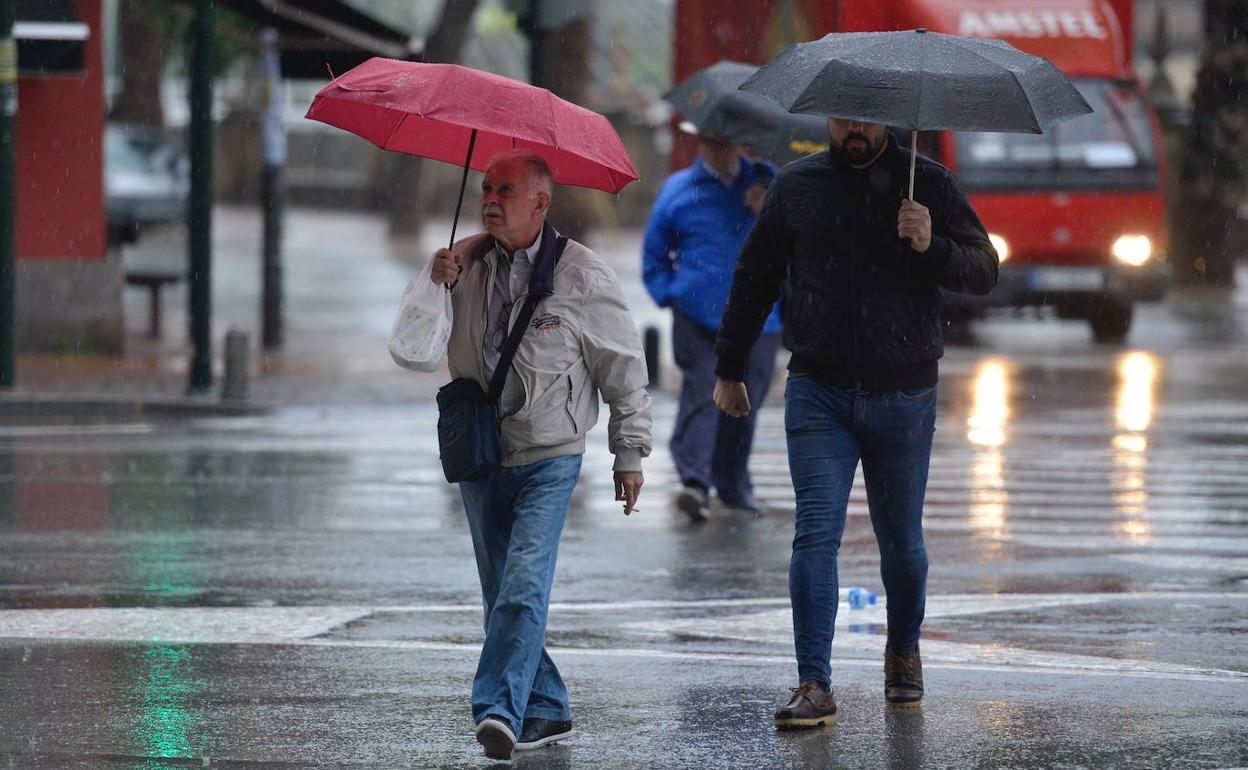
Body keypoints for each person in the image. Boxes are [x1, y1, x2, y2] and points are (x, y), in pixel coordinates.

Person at [713, 120, 998, 725]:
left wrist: (933, 244)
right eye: (843, 120)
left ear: (886, 119)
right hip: (819, 387)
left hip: (904, 391)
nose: (854, 132)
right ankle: (813, 680)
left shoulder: (932, 185)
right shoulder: (799, 185)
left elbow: (983, 269)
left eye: (865, 120)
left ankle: (903, 650)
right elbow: (756, 273)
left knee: (902, 542)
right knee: (815, 532)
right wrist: (730, 367)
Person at [423, 150, 653, 759]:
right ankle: (547, 708)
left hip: (551, 456)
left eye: (505, 190)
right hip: (479, 453)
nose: (491, 199)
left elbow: (623, 368)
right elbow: (414, 345)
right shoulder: (463, 262)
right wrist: (433, 282)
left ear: (541, 204)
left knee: (523, 584)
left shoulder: (583, 274)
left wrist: (627, 453)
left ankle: (498, 708)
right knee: (502, 594)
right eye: (486, 189)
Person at [642, 133, 781, 520]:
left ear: (742, 144)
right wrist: (669, 293)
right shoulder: (680, 189)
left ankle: (734, 484)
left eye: (728, 143)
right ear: (700, 144)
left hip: (759, 317)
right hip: (697, 314)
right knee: (703, 391)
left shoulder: (768, 183)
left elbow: (800, 238)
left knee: (744, 403)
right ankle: (695, 483)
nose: (721, 151)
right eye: (712, 143)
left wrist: (766, 210)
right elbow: (655, 249)